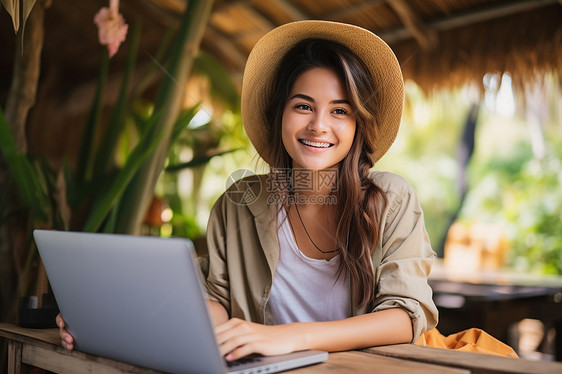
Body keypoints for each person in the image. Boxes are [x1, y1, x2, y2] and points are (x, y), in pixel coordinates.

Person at [57, 20, 438, 361]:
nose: (319, 126)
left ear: (358, 124)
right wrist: (115, 320)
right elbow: (215, 300)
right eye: (303, 106)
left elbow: (405, 316)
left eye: (340, 111)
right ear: (280, 115)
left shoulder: (391, 197)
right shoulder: (239, 203)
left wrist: (288, 337)